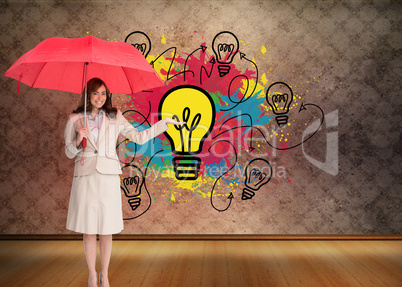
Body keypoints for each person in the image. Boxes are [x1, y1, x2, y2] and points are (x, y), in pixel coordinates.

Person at [64, 78, 183, 287]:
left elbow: (139, 136)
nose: (100, 98)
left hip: (108, 176)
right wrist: (77, 139)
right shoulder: (75, 119)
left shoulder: (115, 116)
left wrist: (164, 123)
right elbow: (68, 152)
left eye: (103, 93)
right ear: (88, 95)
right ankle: (92, 274)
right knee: (89, 229)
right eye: (95, 93)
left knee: (106, 228)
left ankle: (105, 275)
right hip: (85, 177)